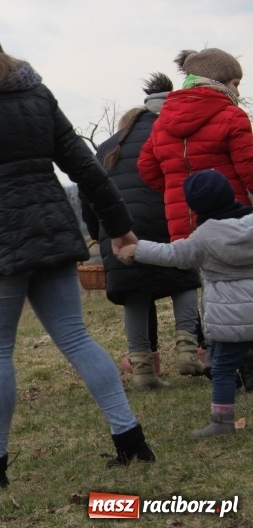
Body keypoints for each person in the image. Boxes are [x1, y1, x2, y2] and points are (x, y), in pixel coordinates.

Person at [0, 13, 155, 490]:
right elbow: (84, 166)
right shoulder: (35, 91)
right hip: (50, 229)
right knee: (76, 337)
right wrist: (119, 228)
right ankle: (131, 441)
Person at [80, 73, 203, 389]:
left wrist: (100, 234)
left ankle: (143, 371)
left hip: (119, 230)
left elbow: (88, 195)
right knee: (183, 278)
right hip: (168, 219)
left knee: (134, 291)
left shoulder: (109, 146)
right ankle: (188, 351)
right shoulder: (173, 133)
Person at [137, 47, 253, 372]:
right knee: (243, 285)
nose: (237, 91)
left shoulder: (163, 122)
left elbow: (147, 168)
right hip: (232, 219)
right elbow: (249, 169)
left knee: (213, 290)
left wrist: (180, 192)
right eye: (235, 83)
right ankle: (245, 362)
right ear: (217, 81)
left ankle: (219, 359)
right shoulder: (232, 116)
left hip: (188, 223)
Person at [118, 169, 253, 439]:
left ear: (195, 207)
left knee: (223, 368)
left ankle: (222, 422)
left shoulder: (204, 237)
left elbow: (172, 254)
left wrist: (136, 249)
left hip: (230, 320)